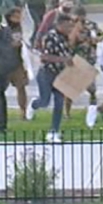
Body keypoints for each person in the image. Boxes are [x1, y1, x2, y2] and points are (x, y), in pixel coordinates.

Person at [30, 13, 76, 142]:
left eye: (71, 27)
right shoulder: (50, 37)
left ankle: (53, 131)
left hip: (60, 74)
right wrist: (63, 60)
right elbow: (44, 57)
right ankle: (34, 104)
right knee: (45, 101)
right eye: (67, 26)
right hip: (47, 73)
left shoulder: (66, 38)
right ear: (59, 25)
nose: (69, 29)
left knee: (59, 102)